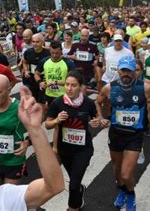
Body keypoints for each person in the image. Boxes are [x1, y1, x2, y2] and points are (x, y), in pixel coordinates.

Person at [95, 56, 150, 210]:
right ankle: (122, 191)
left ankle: (131, 194)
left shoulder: (146, 87)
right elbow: (97, 102)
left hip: (135, 135)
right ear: (118, 70)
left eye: (129, 71)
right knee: (117, 172)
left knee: (126, 175)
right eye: (123, 70)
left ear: (135, 72)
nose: (125, 73)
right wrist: (100, 117)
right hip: (116, 134)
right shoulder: (109, 88)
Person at [44, 70, 101, 210]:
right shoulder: (58, 103)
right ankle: (79, 190)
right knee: (75, 182)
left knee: (73, 184)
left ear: (80, 87)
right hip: (65, 150)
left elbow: (97, 119)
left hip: (83, 149)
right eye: (67, 84)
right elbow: (47, 124)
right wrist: (57, 120)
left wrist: (97, 122)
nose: (69, 88)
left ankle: (72, 208)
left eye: (73, 85)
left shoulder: (88, 103)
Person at [22, 33, 50, 101]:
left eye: (37, 42)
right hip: (31, 79)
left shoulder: (48, 53)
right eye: (33, 41)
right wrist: (26, 70)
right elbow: (25, 62)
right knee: (32, 100)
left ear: (42, 42)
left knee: (42, 101)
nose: (35, 44)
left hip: (43, 79)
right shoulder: (28, 52)